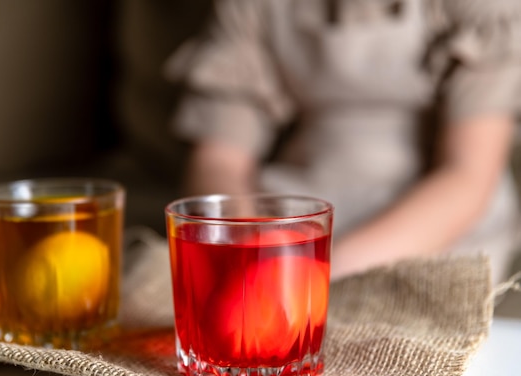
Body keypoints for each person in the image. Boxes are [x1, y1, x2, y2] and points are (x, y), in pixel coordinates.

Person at [165, 0, 521, 283]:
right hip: (294, 223)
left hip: (438, 233)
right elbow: (220, 162)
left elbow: (468, 174)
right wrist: (246, 251)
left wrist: (315, 276)